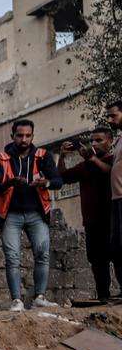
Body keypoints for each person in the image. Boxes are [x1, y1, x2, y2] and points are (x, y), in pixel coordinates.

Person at [0, 119, 63, 311]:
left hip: (37, 214)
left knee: (42, 254)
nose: (24, 139)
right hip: (10, 215)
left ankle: (39, 297)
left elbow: (58, 181)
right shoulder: (1, 158)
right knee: (12, 258)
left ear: (32, 136)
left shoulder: (42, 156)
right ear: (12, 136)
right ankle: (16, 301)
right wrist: (9, 183)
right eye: (20, 135)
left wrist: (45, 183)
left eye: (28, 136)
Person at [59, 127, 120, 303]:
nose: (94, 144)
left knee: (118, 256)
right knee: (97, 260)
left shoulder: (115, 160)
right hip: (92, 219)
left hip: (113, 217)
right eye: (92, 140)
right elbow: (63, 176)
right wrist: (62, 156)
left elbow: (110, 172)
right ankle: (103, 295)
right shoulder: (85, 165)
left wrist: (92, 159)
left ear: (110, 142)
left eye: (99, 140)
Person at [109, 102, 122, 295]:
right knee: (117, 246)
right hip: (116, 198)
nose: (110, 120)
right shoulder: (119, 140)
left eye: (114, 116)